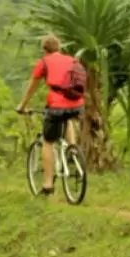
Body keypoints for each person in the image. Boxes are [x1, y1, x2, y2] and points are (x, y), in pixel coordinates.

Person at [15, 34, 86, 196]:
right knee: (67, 118)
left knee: (48, 142)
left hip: (56, 106)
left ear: (44, 50)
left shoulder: (44, 62)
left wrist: (22, 106)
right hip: (77, 104)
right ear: (59, 48)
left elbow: (32, 87)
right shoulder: (71, 60)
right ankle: (72, 148)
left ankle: (47, 185)